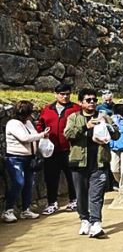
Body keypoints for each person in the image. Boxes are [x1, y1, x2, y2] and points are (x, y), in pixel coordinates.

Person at [64, 88, 120, 238]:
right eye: (88, 100)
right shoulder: (74, 117)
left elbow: (116, 134)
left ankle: (96, 223)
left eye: (94, 100)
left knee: (96, 194)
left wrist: (106, 125)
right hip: (79, 163)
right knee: (81, 194)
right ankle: (84, 219)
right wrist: (85, 127)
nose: (92, 103)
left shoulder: (104, 116)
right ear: (81, 102)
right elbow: (68, 134)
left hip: (99, 163)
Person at [36, 84, 79, 215]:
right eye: (62, 94)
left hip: (70, 149)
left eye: (67, 94)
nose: (65, 96)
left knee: (72, 176)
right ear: (55, 94)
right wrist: (42, 132)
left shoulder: (76, 108)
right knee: (50, 177)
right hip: (51, 150)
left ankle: (74, 200)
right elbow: (39, 124)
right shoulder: (47, 109)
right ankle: (52, 203)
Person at [3, 101, 49, 223]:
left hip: (29, 158)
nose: (31, 115)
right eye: (29, 112)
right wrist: (41, 135)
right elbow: (24, 138)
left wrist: (40, 136)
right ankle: (8, 210)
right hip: (15, 158)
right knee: (19, 183)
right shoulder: (13, 124)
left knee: (29, 183)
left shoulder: (28, 122)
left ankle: (25, 209)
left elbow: (33, 135)